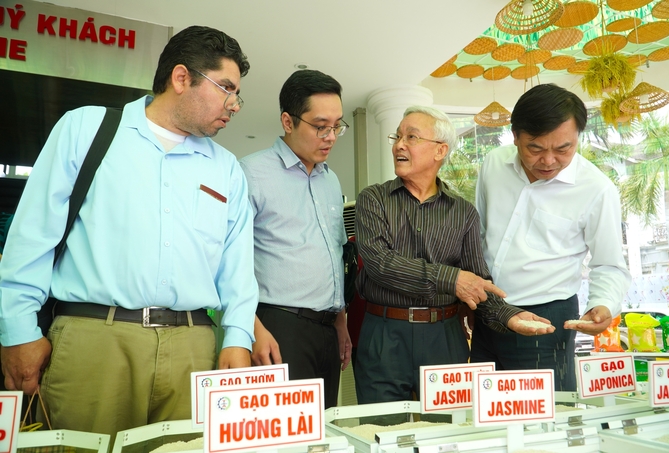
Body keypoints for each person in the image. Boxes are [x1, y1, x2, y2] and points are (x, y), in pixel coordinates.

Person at [0, 26, 259, 437]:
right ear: (180, 78)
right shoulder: (86, 130)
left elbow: (238, 267)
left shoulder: (226, 168)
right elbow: (32, 237)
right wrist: (17, 332)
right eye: (226, 87)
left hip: (194, 348)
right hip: (94, 342)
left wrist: (239, 337)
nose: (235, 104)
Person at [353, 105, 554, 405]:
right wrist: (452, 278)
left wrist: (509, 315)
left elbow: (477, 281)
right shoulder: (373, 199)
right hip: (383, 335)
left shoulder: (463, 213)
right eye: (397, 136)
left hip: (444, 338)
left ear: (440, 151)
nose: (399, 144)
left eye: (412, 136)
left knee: (449, 430)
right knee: (382, 432)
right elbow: (380, 264)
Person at [472, 83, 632, 391]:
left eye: (563, 149)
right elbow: (477, 235)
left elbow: (609, 264)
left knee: (545, 420)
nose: (548, 161)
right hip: (488, 312)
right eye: (535, 148)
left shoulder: (596, 189)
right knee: (483, 411)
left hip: (545, 318)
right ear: (515, 135)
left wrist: (603, 303)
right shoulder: (494, 164)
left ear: (577, 139)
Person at [240, 70, 351, 409]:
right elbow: (231, 259)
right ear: (288, 121)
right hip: (277, 327)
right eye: (320, 126)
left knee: (325, 432)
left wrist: (341, 321)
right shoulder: (250, 173)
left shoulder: (330, 180)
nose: (331, 136)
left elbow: (335, 253)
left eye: (337, 126)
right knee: (284, 436)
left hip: (327, 329)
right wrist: (252, 328)